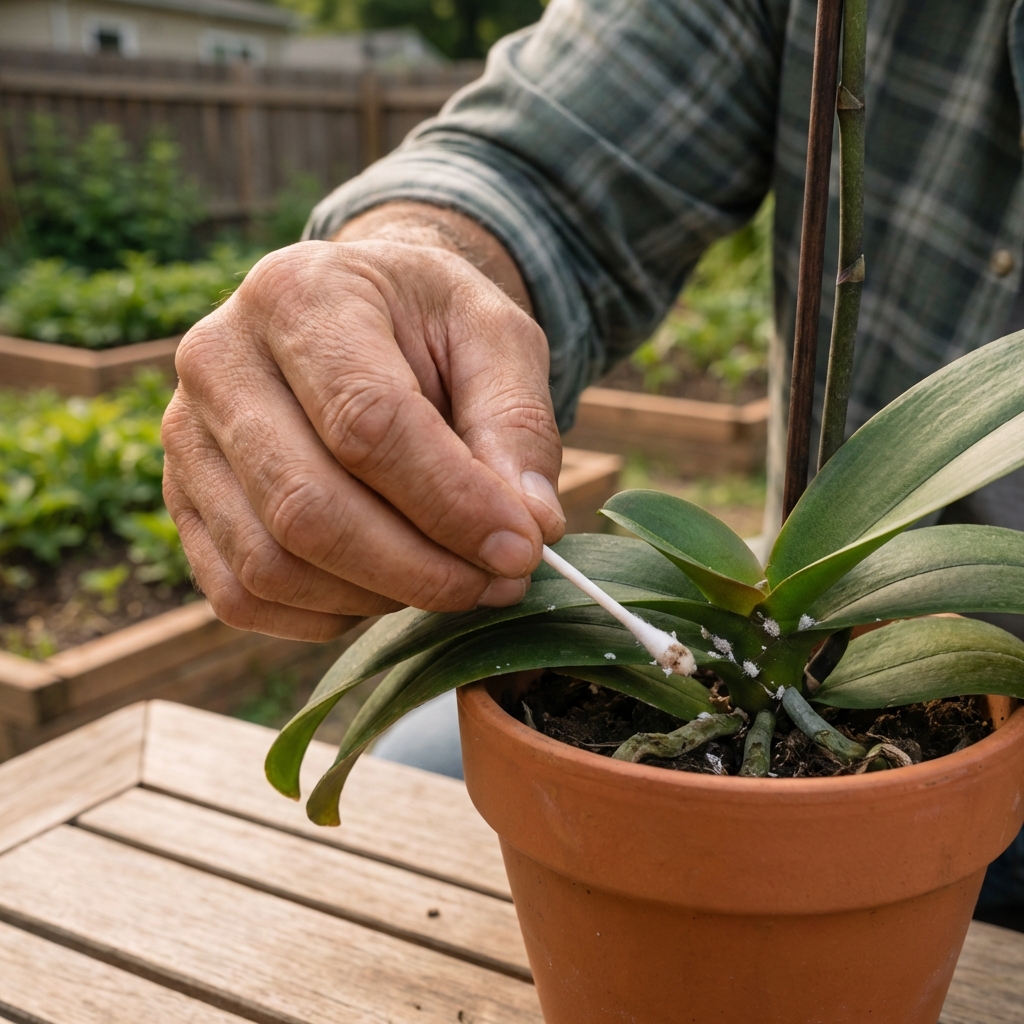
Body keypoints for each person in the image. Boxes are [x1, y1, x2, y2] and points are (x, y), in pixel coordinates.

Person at [162, 0, 1024, 927]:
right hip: (818, 655)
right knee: (416, 769)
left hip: (954, 762)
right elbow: (540, 166)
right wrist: (402, 279)